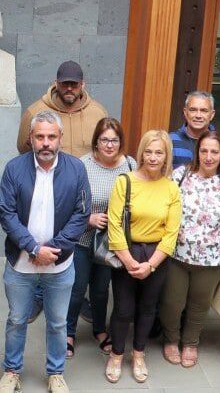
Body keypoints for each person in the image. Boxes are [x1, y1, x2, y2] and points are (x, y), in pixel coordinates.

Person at [0, 111, 91, 393]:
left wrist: (54, 250)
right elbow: (7, 214)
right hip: (21, 263)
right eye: (40, 136)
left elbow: (81, 213)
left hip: (60, 265)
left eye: (51, 136)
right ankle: (12, 371)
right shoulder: (14, 168)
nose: (46, 143)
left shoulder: (76, 169)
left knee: (58, 322)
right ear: (31, 138)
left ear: (60, 137)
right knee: (16, 319)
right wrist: (33, 248)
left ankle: (56, 373)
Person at [162, 131, 220, 367]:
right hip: (177, 254)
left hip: (212, 259)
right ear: (197, 152)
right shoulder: (180, 176)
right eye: (204, 151)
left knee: (200, 304)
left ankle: (190, 342)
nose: (209, 156)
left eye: (214, 152)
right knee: (172, 302)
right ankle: (171, 340)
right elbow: (165, 205)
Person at [102, 130, 181, 384]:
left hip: (156, 256)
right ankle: (116, 354)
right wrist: (129, 261)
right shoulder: (125, 182)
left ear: (167, 155)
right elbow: (114, 224)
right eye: (148, 151)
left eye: (159, 152)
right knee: (123, 309)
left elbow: (171, 233)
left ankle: (138, 354)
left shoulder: (171, 188)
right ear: (141, 153)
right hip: (127, 251)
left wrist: (150, 264)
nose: (153, 157)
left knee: (148, 309)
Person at [72, 118, 135, 357]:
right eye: (104, 140)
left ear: (121, 142)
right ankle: (69, 332)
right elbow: (67, 201)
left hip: (112, 242)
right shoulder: (82, 165)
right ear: (96, 142)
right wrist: (87, 218)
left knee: (101, 289)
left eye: (114, 140)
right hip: (82, 238)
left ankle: (99, 329)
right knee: (77, 288)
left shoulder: (129, 165)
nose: (109, 145)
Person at [16, 61, 109, 158]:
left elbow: (106, 148)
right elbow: (23, 149)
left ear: (82, 84)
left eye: (74, 84)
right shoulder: (34, 112)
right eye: (65, 84)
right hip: (50, 171)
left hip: (87, 172)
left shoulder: (98, 113)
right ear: (56, 83)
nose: (69, 88)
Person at [169, 91, 220, 172]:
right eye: (193, 110)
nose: (198, 115)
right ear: (185, 113)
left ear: (212, 114)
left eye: (204, 111)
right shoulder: (170, 141)